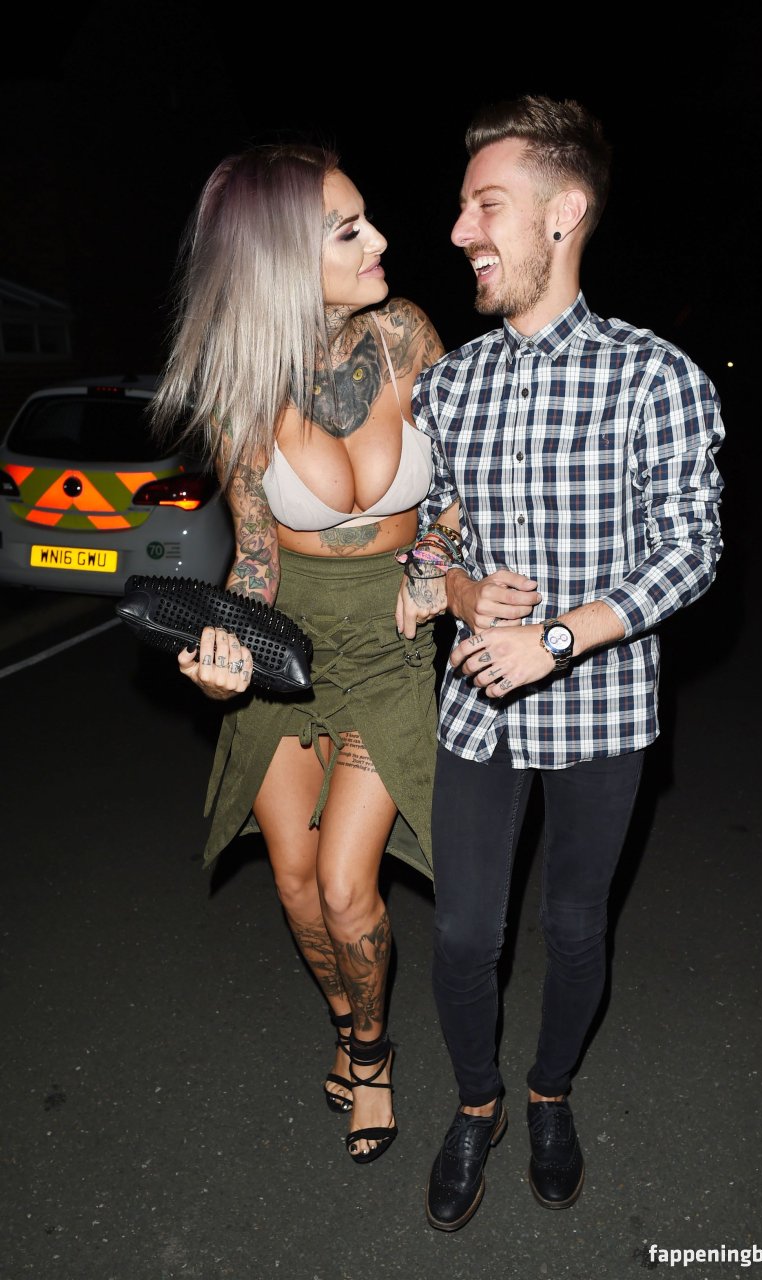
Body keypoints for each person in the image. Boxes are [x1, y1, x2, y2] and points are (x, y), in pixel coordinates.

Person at [396, 94, 726, 1230]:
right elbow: (429, 532)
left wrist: (555, 635)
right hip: (477, 708)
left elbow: (691, 548)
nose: (458, 231)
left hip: (601, 710)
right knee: (459, 933)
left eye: (484, 205)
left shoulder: (656, 377)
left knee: (576, 926)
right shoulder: (447, 384)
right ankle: (476, 1103)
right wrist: (455, 587)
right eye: (460, 208)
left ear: (562, 212)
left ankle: (547, 1093)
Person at [149, 142, 449, 1166]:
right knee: (291, 881)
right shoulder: (242, 387)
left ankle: (371, 1052)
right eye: (347, 230)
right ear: (281, 258)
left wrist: (436, 558)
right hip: (289, 643)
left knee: (346, 882)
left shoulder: (408, 335)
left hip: (390, 646)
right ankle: (344, 1018)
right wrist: (224, 647)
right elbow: (255, 555)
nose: (379, 240)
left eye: (367, 219)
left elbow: (464, 479)